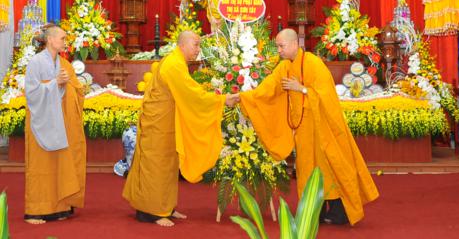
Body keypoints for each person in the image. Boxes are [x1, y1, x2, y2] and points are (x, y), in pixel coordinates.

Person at [239, 28, 379, 226]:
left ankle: (340, 210)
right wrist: (243, 97)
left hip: (322, 126)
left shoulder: (313, 63)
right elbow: (268, 89)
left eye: (281, 46)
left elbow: (327, 95)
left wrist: (302, 89)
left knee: (329, 166)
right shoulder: (284, 67)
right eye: (277, 46)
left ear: (295, 44)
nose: (278, 50)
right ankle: (314, 210)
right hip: (302, 129)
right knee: (307, 168)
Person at [122, 31, 239, 227]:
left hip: (167, 122)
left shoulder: (177, 61)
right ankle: (151, 211)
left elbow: (188, 91)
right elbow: (192, 95)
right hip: (158, 125)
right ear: (182, 45)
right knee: (157, 166)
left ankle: (166, 207)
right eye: (195, 45)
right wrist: (222, 100)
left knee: (168, 165)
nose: (198, 50)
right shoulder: (174, 64)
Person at [23, 24, 86, 224]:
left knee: (59, 165)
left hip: (59, 124)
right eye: (63, 38)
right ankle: (35, 211)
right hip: (41, 121)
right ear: (50, 40)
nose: (65, 42)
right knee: (40, 166)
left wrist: (70, 85)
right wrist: (55, 83)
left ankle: (59, 207)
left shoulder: (65, 64)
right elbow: (31, 92)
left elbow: (77, 89)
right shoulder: (36, 62)